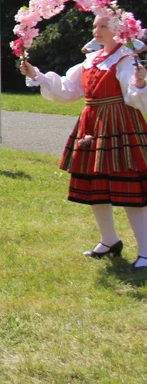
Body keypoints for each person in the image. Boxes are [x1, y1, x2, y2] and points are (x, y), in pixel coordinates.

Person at [21, 15, 147, 270]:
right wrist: (37, 74)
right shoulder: (91, 60)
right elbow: (69, 89)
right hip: (92, 125)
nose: (96, 31)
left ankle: (145, 251)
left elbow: (134, 97)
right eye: (95, 26)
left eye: (103, 26)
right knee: (94, 185)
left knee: (129, 190)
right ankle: (109, 240)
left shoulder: (125, 60)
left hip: (120, 125)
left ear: (117, 30)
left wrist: (141, 83)